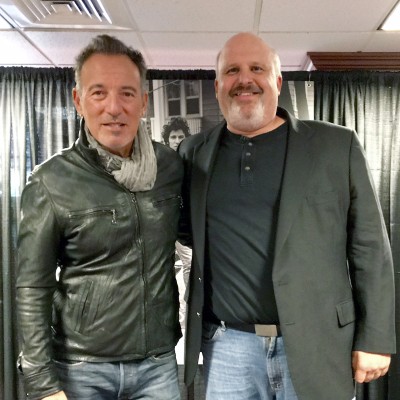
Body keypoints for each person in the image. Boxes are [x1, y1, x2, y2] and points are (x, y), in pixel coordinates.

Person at [178, 32, 395, 400]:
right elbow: (185, 232)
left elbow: (370, 246)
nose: (244, 79)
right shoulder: (192, 152)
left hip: (318, 343)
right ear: (217, 86)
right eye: (232, 70)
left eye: (257, 68)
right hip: (228, 347)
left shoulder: (336, 145)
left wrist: (375, 337)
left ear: (277, 82)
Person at [16, 34, 183, 400]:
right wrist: (41, 382)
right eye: (98, 93)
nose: (113, 107)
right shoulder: (50, 181)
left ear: (143, 102)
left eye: (127, 93)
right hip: (81, 369)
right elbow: (32, 287)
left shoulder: (170, 168)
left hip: (158, 365)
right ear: (78, 100)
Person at [162, 117, 193, 327]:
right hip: (163, 226)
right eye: (173, 137)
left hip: (184, 227)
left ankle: (187, 315)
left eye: (180, 136)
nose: (177, 140)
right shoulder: (161, 162)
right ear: (167, 140)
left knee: (190, 267)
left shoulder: (192, 161)